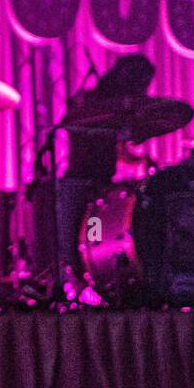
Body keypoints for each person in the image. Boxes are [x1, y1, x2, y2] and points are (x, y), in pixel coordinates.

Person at [56, 54, 156, 306]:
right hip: (80, 183)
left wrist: (140, 160)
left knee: (94, 244)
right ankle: (74, 290)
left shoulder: (114, 110)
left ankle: (93, 290)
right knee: (77, 248)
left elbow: (120, 150)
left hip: (100, 184)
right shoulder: (93, 104)